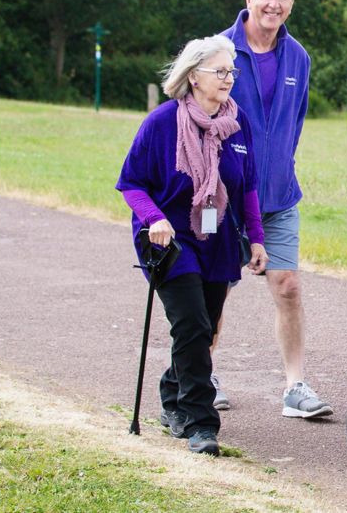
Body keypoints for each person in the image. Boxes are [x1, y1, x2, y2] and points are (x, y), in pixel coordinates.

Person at [116, 36, 269, 455]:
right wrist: (155, 219)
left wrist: (256, 238)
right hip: (171, 238)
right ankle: (202, 424)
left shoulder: (238, 124)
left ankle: (173, 400)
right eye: (220, 71)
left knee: (203, 329)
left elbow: (248, 187)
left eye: (231, 72)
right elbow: (131, 183)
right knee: (193, 326)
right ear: (193, 76)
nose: (228, 79)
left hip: (218, 237)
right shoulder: (163, 122)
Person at [217, 0, 332, 419]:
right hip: (222, 200)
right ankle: (201, 375)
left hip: (279, 200)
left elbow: (295, 122)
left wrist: (280, 165)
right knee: (213, 291)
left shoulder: (298, 57)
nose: (274, 3)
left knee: (287, 286)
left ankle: (295, 387)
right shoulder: (218, 51)